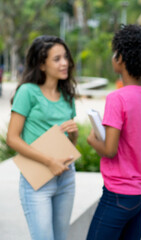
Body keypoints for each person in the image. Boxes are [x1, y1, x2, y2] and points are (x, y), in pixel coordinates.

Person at [86, 24, 141, 240]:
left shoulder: (117, 98)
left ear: (121, 59)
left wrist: (92, 139)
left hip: (119, 194)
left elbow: (109, 150)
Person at [6, 36, 78, 240]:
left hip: (66, 175)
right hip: (37, 178)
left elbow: (70, 143)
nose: (64, 63)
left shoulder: (67, 95)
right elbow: (12, 138)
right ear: (41, 64)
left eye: (65, 57)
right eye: (57, 59)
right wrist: (49, 161)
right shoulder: (27, 92)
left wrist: (73, 133)